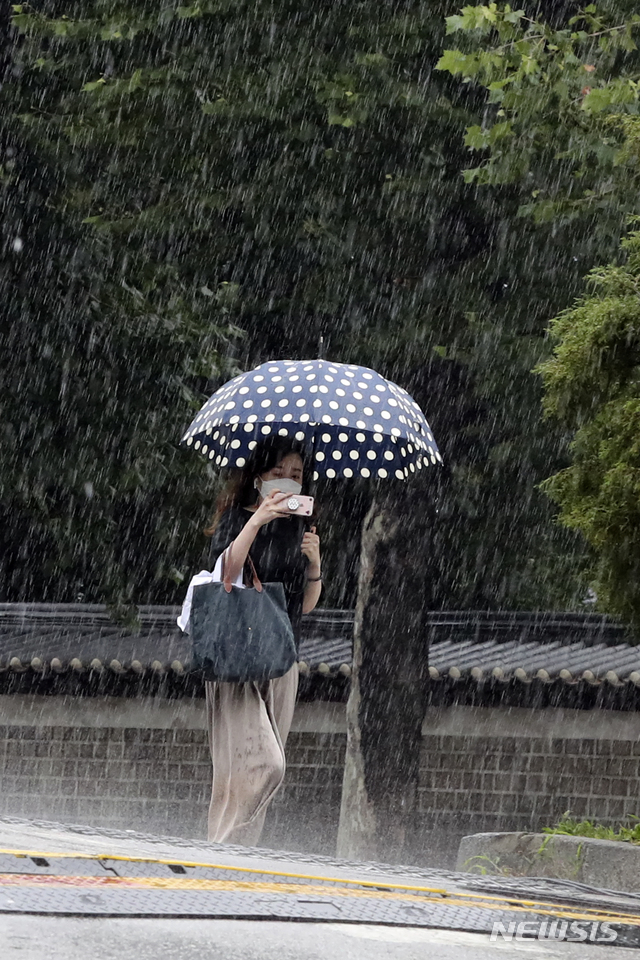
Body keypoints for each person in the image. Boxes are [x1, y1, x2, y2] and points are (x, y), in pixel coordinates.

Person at [203, 437, 322, 845]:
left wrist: (315, 566)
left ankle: (238, 858)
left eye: (296, 476)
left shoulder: (300, 528)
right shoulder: (236, 520)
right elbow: (227, 573)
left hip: (282, 658)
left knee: (260, 775)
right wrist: (258, 520)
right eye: (278, 474)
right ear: (258, 479)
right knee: (259, 765)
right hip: (237, 658)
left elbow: (303, 606)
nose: (288, 482)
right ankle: (219, 851)